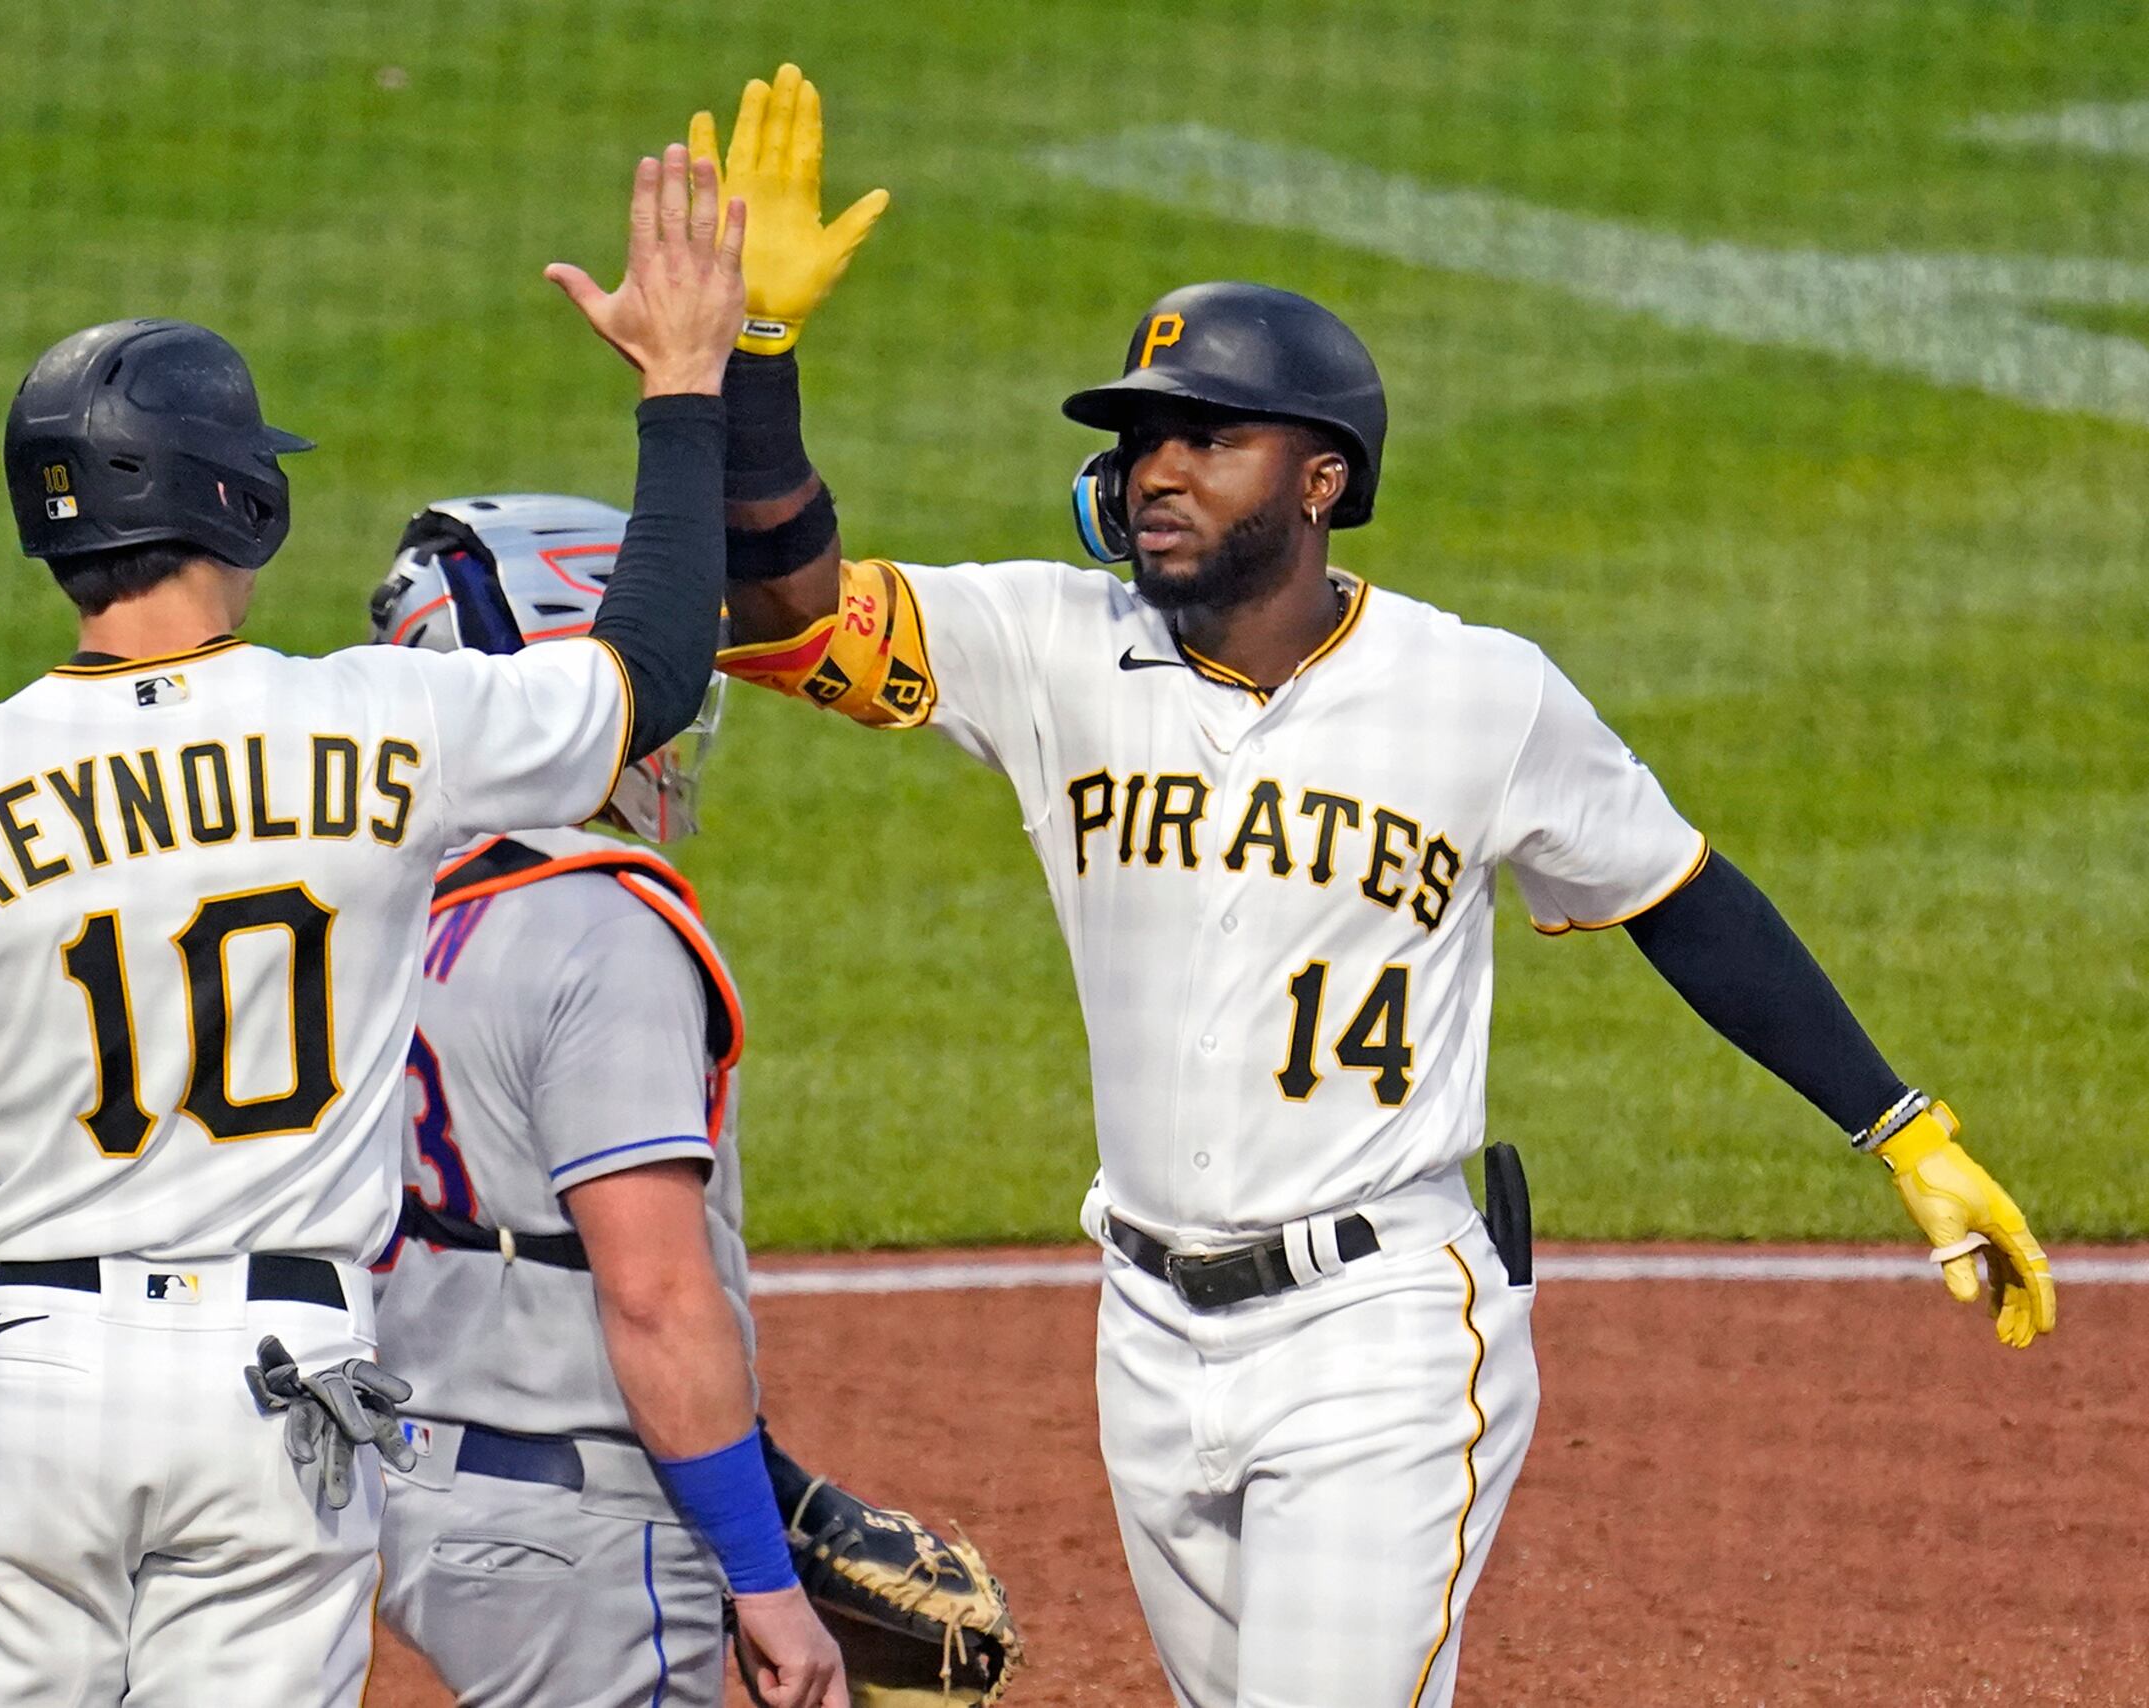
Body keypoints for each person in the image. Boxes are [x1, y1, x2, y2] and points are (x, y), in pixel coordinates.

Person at [693, 66, 2056, 1708]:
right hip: (1143, 1328)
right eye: (1138, 442)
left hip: (1385, 1327)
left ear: (1322, 477)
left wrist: (1901, 1126)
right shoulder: (1052, 645)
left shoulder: (1479, 691)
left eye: (1206, 436)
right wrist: (754, 366)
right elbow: (779, 611)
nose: (1157, 471)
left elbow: (1676, 890)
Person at [0, 146, 747, 1708]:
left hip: (34, 1372)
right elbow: (652, 667)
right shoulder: (382, 722)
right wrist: (685, 385)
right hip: (276, 1379)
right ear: (239, 500)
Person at [361, 494, 843, 1708]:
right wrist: (760, 1569)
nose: (663, 722)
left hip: (403, 1480)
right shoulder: (602, 927)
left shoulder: (364, 904)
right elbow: (655, 1295)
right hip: (575, 1532)